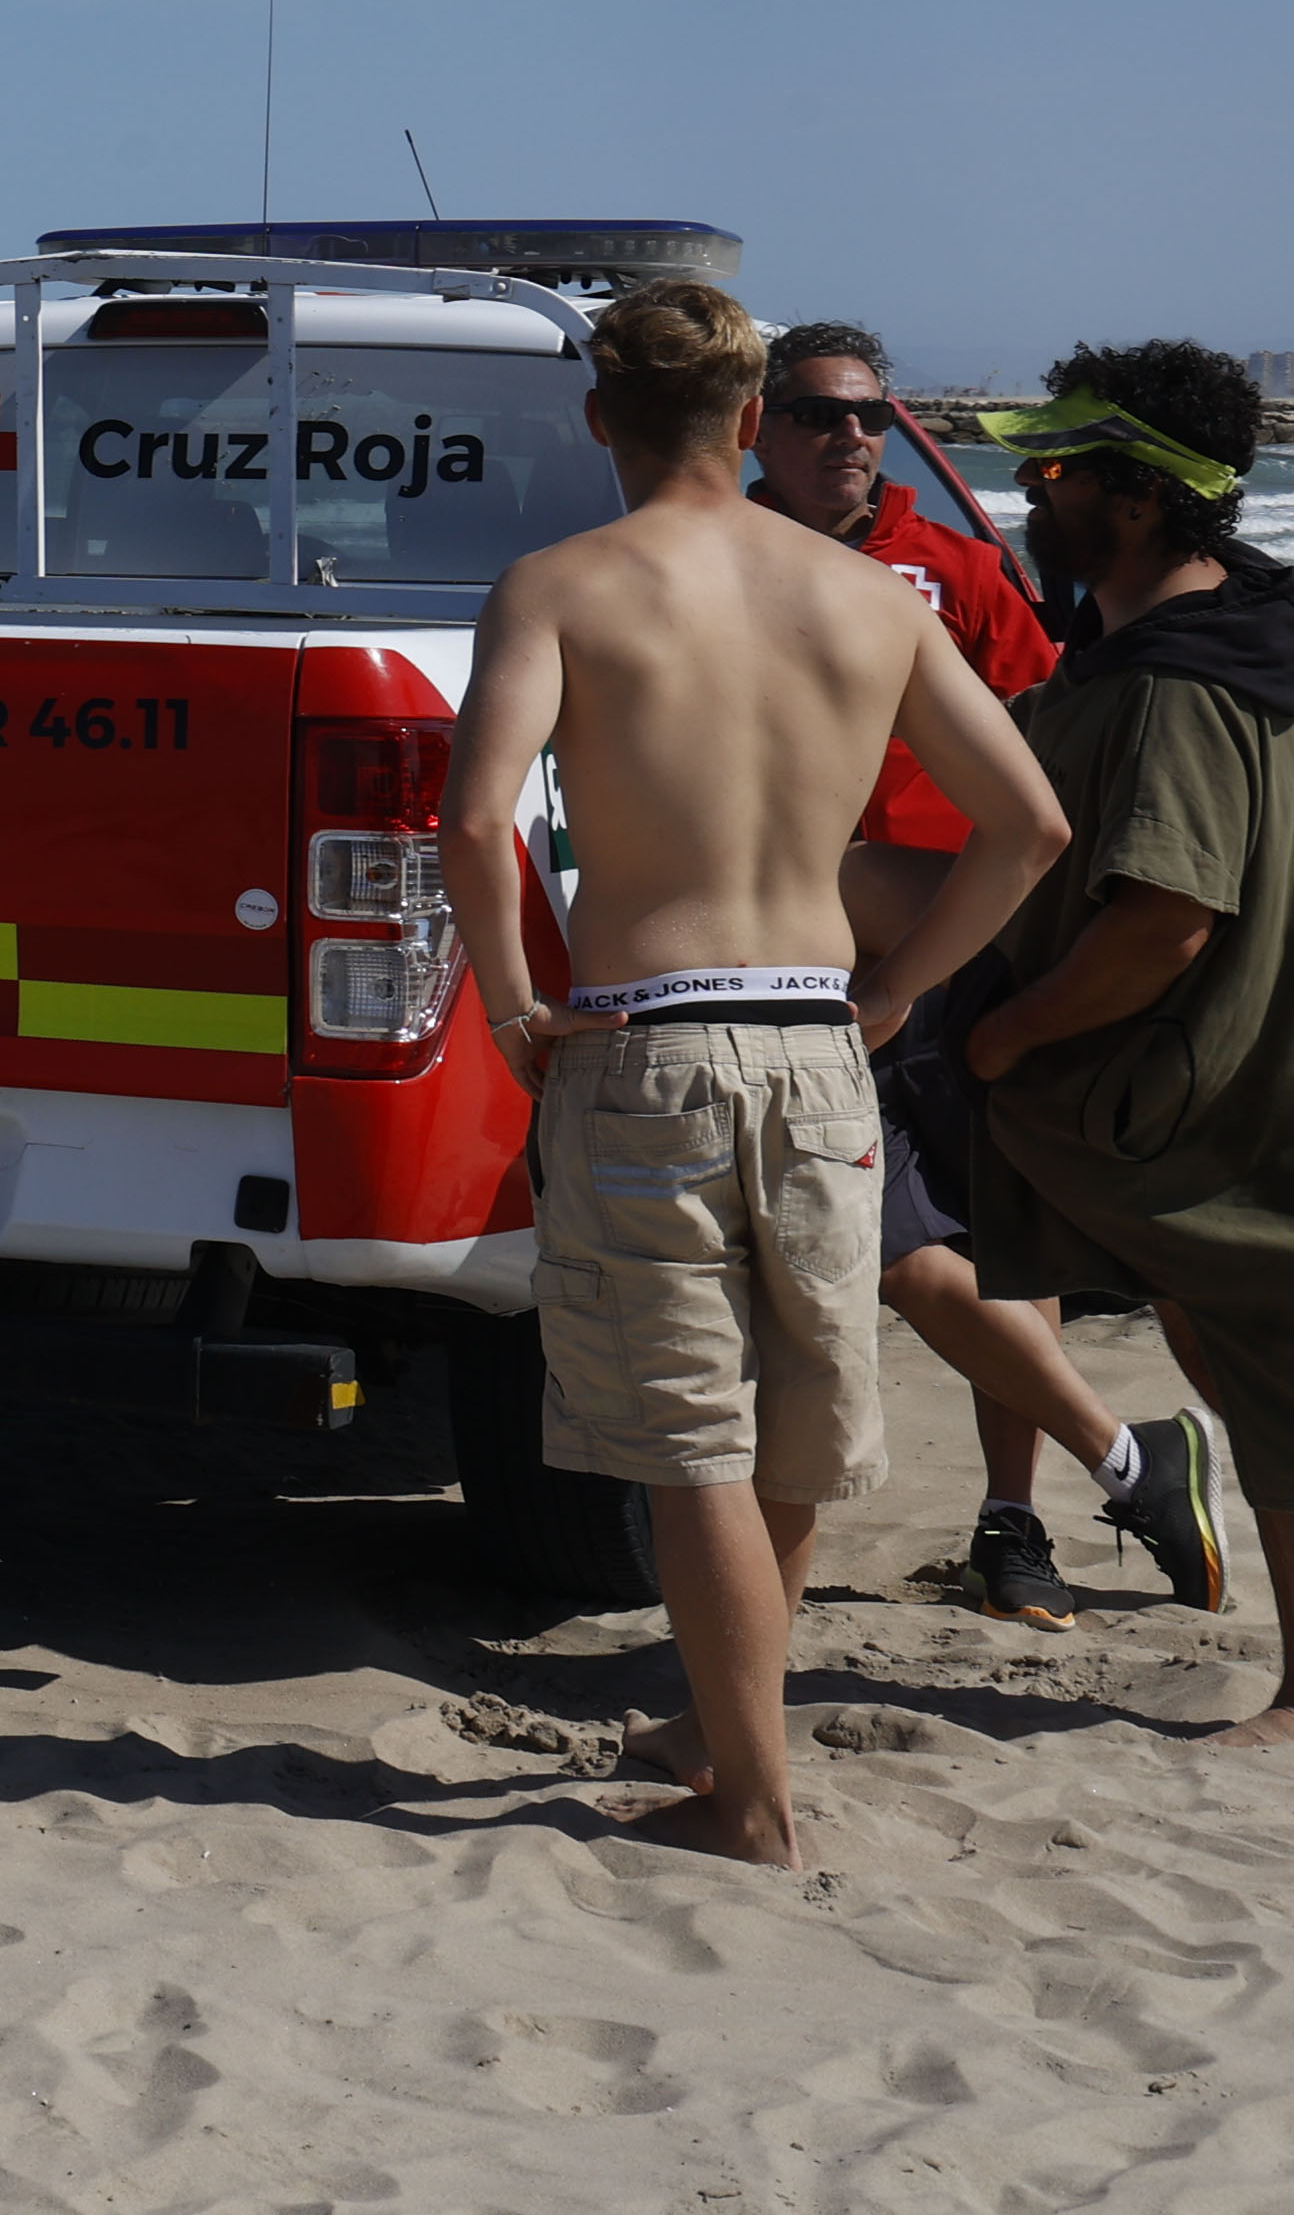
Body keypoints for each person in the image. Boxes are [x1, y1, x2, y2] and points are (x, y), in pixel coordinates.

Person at [442, 280, 1068, 1869]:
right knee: (790, 1422)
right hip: (812, 1037)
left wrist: (518, 1006)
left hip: (650, 1034)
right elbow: (1029, 827)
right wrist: (898, 988)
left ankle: (749, 1800)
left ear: (597, 420)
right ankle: (727, 1734)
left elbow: (471, 820)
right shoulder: (872, 600)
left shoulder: (560, 584)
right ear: (746, 422)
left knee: (686, 1440)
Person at [752, 320, 1197, 1627]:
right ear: (756, 426)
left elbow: (1048, 740)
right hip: (789, 968)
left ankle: (1012, 1525)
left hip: (956, 956)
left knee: (999, 1239)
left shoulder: (942, 565)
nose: (850, 437)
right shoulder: (718, 562)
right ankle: (1125, 1457)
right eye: (822, 414)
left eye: (871, 418)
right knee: (891, 1256)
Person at [953, 341, 1292, 1740]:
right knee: (1243, 1372)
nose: (1026, 492)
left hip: (1209, 1113)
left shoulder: (1177, 684)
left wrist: (998, 1038)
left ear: (1138, 501)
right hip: (1223, 1102)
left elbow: (1165, 921)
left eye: (1050, 470)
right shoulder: (1240, 633)